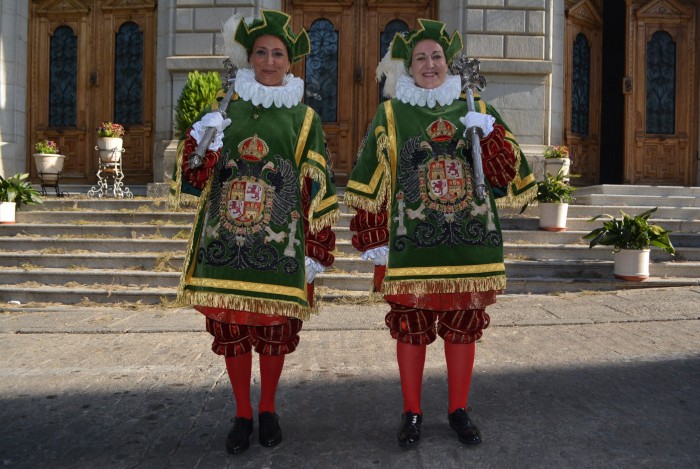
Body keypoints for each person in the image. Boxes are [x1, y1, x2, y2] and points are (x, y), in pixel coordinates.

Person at [345, 19, 536, 448]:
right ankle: (411, 411)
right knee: (411, 327)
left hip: (468, 245)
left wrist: (490, 138)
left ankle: (458, 409)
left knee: (462, 327)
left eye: (436, 57)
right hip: (412, 244)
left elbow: (509, 178)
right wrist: (376, 241)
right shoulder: (391, 113)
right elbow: (370, 178)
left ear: (449, 64)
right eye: (420, 58)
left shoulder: (477, 109)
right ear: (407, 68)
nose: (429, 65)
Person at [175, 10, 338, 455]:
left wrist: (317, 249)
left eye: (278, 54)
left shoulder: (304, 119)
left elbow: (318, 185)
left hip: (279, 246)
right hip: (224, 242)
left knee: (271, 331)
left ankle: (268, 408)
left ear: (291, 63)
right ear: (249, 59)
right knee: (232, 329)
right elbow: (192, 181)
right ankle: (241, 412)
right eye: (261, 52)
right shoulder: (224, 108)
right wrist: (200, 144)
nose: (269, 61)